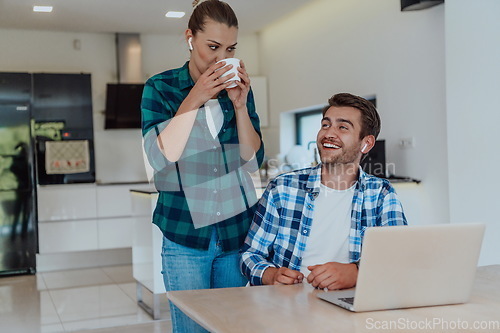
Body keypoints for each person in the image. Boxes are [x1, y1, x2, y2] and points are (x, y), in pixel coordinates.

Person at [141, 0, 264, 332]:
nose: (221, 56)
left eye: (229, 48)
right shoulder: (160, 88)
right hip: (185, 237)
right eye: (213, 46)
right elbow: (160, 157)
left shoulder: (238, 91)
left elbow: (252, 160)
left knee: (231, 326)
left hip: (237, 232)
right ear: (190, 38)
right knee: (191, 327)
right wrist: (195, 97)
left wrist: (240, 106)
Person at [240, 93, 407, 290]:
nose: (329, 133)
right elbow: (250, 255)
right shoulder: (282, 188)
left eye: (342, 127)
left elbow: (399, 259)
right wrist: (270, 275)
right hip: (285, 304)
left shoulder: (382, 194)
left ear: (366, 143)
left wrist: (356, 272)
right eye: (325, 125)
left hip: (349, 303)